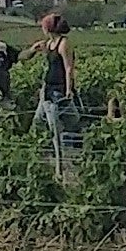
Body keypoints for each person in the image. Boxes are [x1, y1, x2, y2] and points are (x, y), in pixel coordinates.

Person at [24, 13, 80, 151]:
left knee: (56, 122)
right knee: (39, 120)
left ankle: (60, 151)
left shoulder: (63, 43)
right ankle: (42, 147)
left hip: (58, 88)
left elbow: (68, 68)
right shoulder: (49, 44)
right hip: (48, 88)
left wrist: (68, 89)